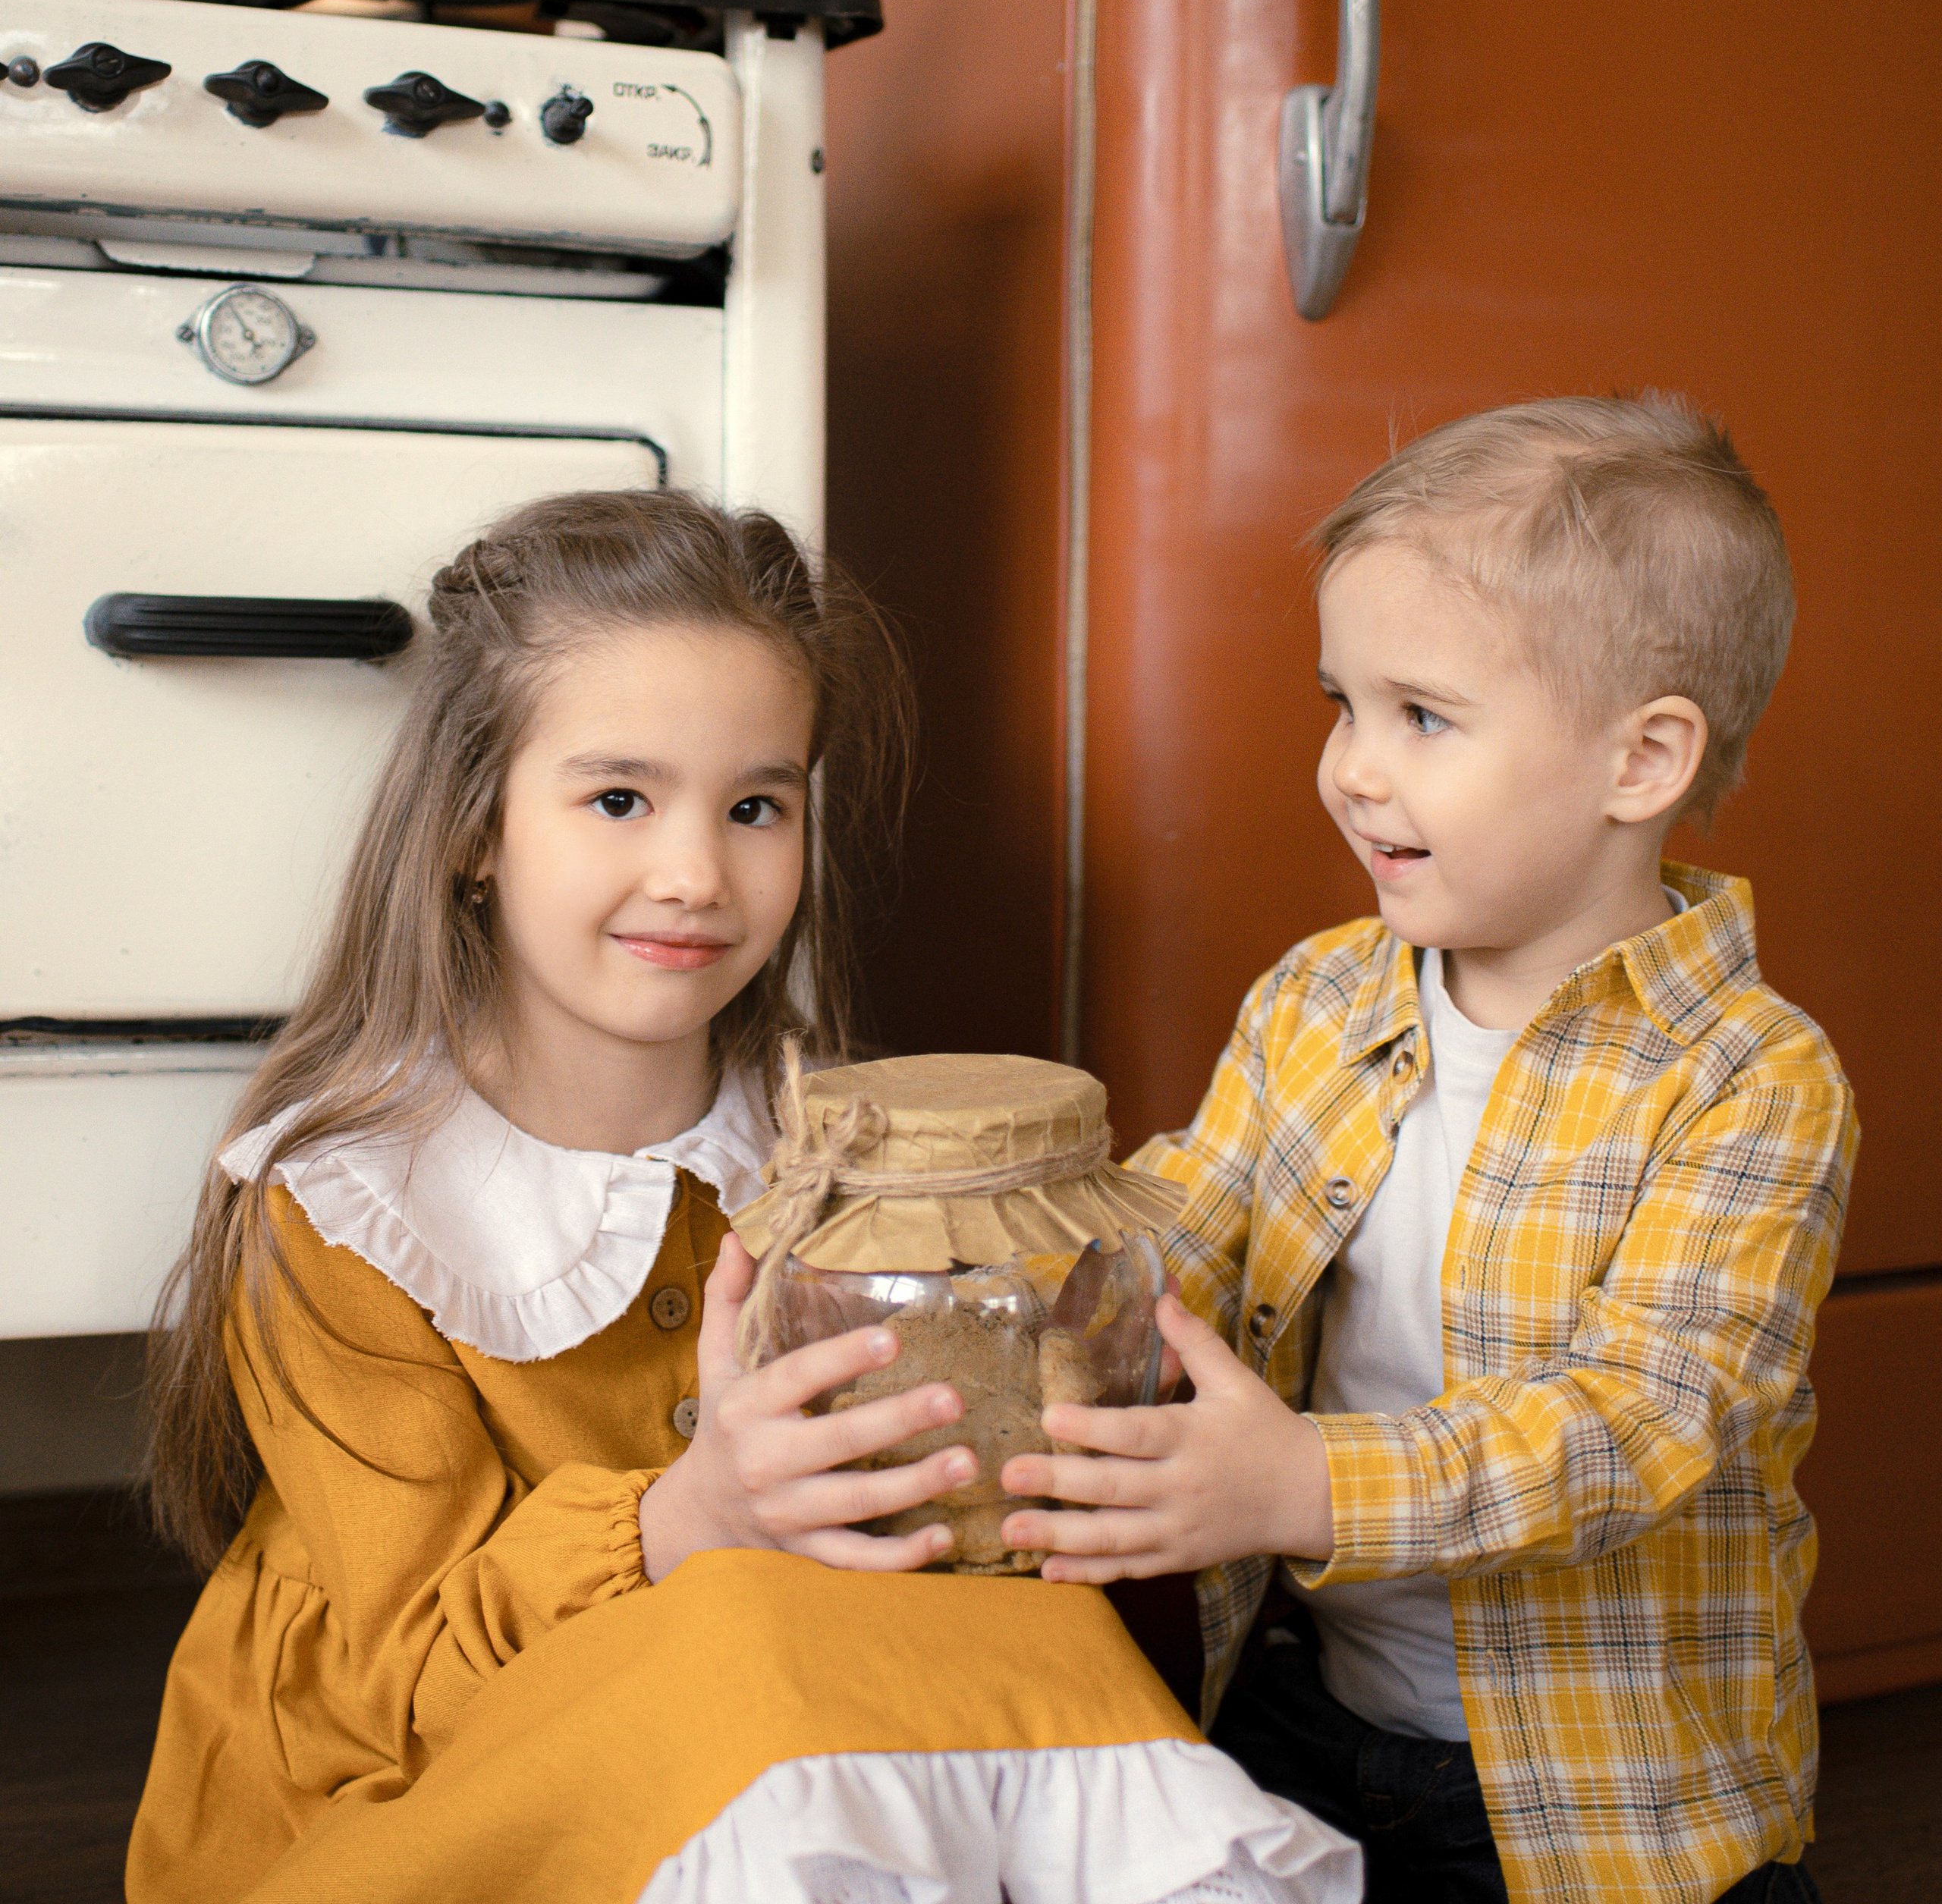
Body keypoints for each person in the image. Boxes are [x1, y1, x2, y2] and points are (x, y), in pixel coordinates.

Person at [127, 489, 1357, 1904]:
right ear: (474, 826)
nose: (698, 874)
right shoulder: (348, 1201)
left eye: (757, 805)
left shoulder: (829, 1147)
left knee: (1036, 1653)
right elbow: (409, 1667)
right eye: (618, 799)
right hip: (417, 1774)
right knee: (737, 1650)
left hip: (779, 1697)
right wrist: (690, 1518)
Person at [998, 396, 1857, 1904]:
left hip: (1601, 1801)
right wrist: (1004, 1270)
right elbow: (1191, 1219)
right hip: (1299, 1706)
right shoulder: (1321, 995)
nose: (1349, 767)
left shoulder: (1751, 1079)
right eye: (1339, 702)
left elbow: (1635, 1420)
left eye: (1421, 715)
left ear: (1640, 759)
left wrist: (1297, 1483)